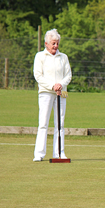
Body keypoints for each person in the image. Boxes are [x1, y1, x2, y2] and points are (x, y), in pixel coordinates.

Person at [33, 29, 72, 161]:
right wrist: (52, 86)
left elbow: (68, 75)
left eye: (57, 43)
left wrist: (60, 84)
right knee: (43, 123)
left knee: (60, 123)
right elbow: (38, 75)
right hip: (46, 93)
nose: (55, 46)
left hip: (62, 93)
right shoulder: (40, 56)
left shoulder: (64, 57)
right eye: (53, 43)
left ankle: (59, 153)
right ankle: (39, 154)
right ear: (46, 44)